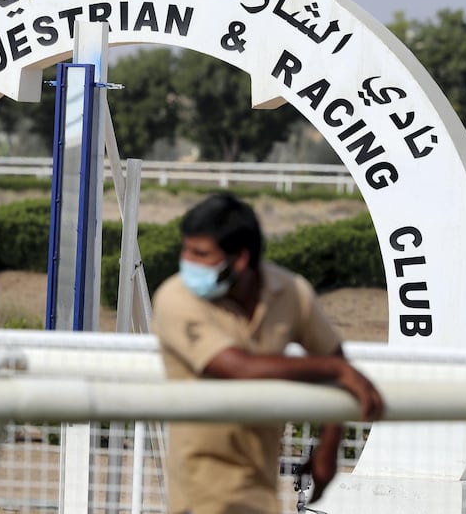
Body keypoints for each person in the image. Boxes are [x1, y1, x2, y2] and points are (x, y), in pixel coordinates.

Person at [152, 192, 384, 514]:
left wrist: (329, 445)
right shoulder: (175, 298)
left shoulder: (291, 292)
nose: (187, 262)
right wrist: (334, 369)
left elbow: (338, 363)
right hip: (199, 487)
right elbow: (238, 368)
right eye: (186, 250)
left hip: (261, 487)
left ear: (241, 259)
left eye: (200, 253)